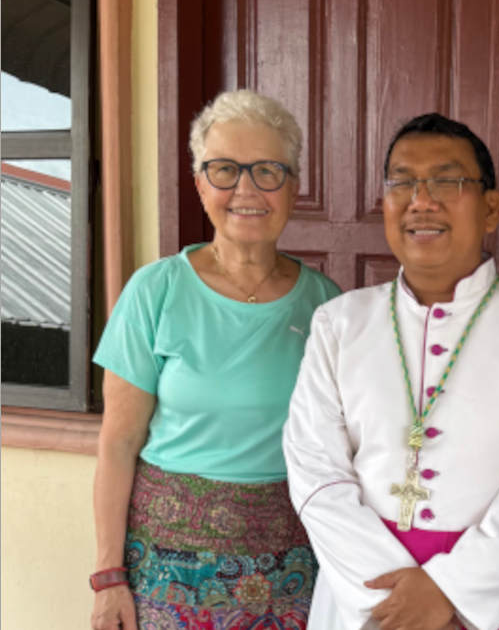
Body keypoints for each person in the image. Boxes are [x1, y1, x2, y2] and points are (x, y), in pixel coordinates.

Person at [283, 112, 499, 630]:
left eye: (447, 181)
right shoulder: (340, 323)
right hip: (365, 597)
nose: (420, 200)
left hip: (494, 599)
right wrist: (394, 600)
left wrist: (450, 594)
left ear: (491, 208)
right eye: (402, 182)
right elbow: (314, 469)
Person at [90, 90, 342, 630]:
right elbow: (118, 442)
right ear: (200, 182)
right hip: (167, 569)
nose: (246, 190)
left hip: (296, 564)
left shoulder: (326, 303)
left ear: (294, 187)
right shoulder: (154, 291)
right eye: (224, 170)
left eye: (268, 171)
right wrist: (109, 575)